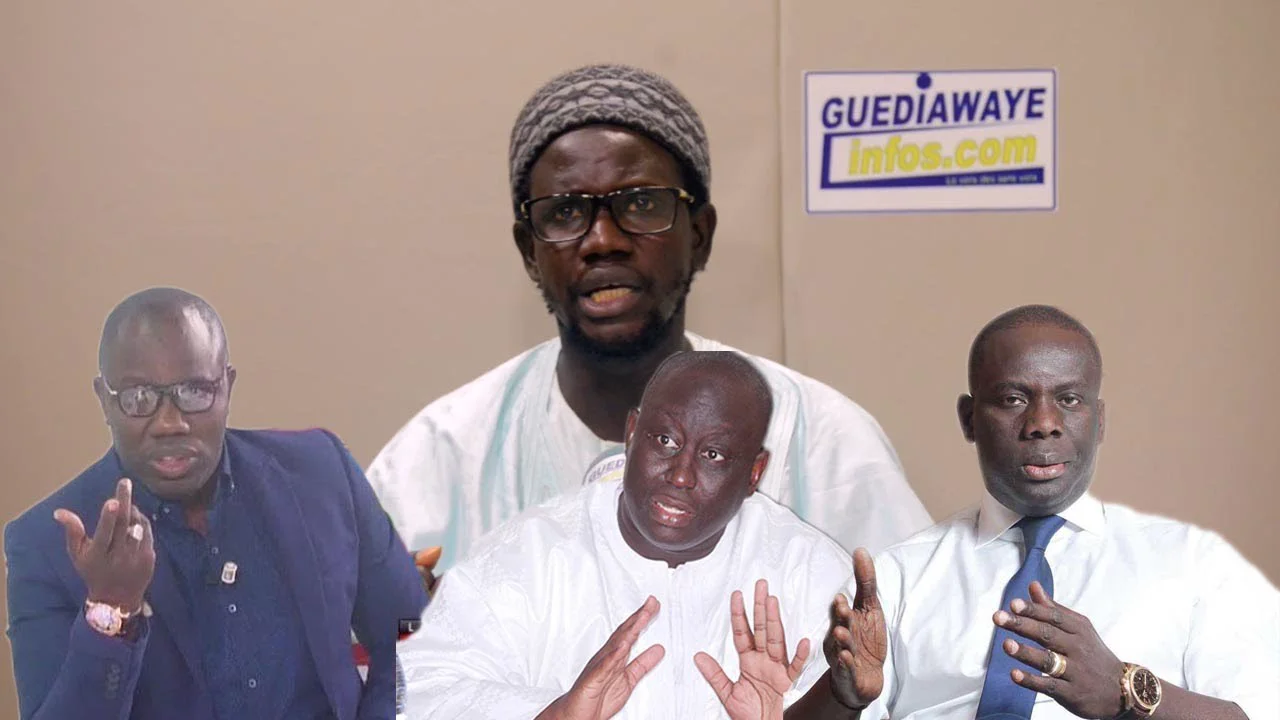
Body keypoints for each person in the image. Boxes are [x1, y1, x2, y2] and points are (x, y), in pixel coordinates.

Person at [367, 62, 931, 579]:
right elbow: (364, 640)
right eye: (565, 212)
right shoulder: (438, 459)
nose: (602, 240)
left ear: (700, 236)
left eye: (640, 203)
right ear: (529, 252)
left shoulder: (819, 441)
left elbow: (915, 638)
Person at [790, 305, 1279, 720]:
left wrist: (1124, 691)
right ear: (969, 419)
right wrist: (842, 698)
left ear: (1099, 421)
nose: (1043, 423)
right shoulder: (897, 579)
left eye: (1069, 399)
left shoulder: (1195, 565)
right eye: (1013, 399)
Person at [4, 287, 428, 720]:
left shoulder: (321, 473)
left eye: (195, 391)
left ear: (227, 385)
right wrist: (111, 610)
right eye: (138, 398)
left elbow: (417, 636)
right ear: (104, 400)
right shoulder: (45, 544)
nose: (169, 423)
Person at [399, 350, 852, 719]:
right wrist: (555, 716)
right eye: (665, 441)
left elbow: (874, 700)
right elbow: (419, 690)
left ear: (754, 472)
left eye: (713, 454)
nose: (680, 475)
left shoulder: (808, 570)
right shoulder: (528, 555)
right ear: (632, 432)